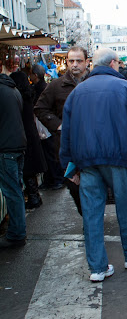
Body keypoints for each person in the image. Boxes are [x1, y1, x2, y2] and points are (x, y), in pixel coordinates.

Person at [59, 48, 127, 282]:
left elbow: (67, 132)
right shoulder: (126, 88)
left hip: (87, 161)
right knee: (124, 206)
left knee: (91, 213)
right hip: (118, 158)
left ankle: (98, 268)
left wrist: (68, 165)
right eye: (119, 63)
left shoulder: (78, 92)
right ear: (112, 63)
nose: (120, 66)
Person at [35, 46, 90, 215]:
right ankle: (87, 216)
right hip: (68, 148)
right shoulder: (56, 86)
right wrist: (58, 125)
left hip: (93, 145)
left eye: (79, 61)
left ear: (87, 62)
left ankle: (92, 218)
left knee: (94, 186)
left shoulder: (94, 82)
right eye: (71, 61)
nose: (75, 65)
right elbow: (40, 108)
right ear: (66, 62)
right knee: (74, 186)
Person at [10, 66, 47, 210]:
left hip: (25, 134)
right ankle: (34, 196)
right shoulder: (28, 95)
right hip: (31, 133)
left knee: (28, 169)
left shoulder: (19, 97)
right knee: (30, 170)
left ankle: (33, 197)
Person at [0, 68, 27, 248]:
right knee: (16, 189)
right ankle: (17, 231)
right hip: (17, 144)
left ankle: (17, 233)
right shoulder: (12, 89)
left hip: (6, 147)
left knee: (12, 191)